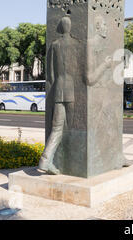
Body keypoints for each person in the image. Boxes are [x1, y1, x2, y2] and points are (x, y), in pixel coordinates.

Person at [39, 16, 76, 175]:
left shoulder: (54, 45)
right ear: (70, 28)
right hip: (70, 88)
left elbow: (51, 74)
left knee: (57, 128)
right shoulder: (75, 44)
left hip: (58, 88)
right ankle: (67, 160)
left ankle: (46, 160)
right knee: (72, 125)